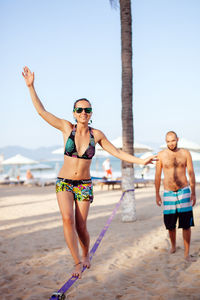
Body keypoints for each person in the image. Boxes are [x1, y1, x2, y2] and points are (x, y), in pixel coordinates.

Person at [22, 66, 157, 279]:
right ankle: (77, 261)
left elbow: (118, 153)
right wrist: (31, 86)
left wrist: (142, 160)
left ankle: (86, 254)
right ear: (74, 113)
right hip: (64, 182)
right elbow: (42, 112)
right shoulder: (67, 128)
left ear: (91, 113)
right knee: (67, 219)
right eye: (79, 110)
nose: (83, 113)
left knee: (81, 226)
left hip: (84, 184)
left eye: (87, 110)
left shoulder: (97, 135)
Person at [155, 131, 196, 261]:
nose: (170, 143)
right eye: (168, 141)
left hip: (184, 191)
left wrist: (193, 192)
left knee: (186, 224)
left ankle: (187, 252)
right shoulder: (161, 155)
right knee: (170, 224)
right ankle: (173, 245)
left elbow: (191, 173)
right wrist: (157, 193)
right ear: (165, 141)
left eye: (173, 140)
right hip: (168, 192)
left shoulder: (185, 153)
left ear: (177, 139)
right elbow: (157, 175)